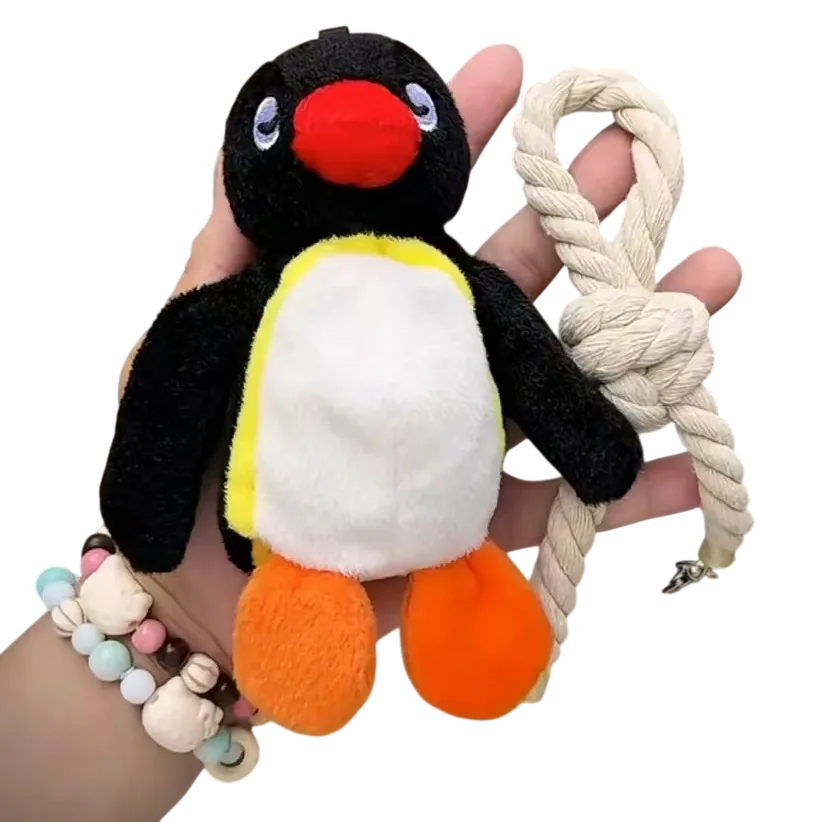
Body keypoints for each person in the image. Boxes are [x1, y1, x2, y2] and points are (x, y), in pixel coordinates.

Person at [0, 44, 741, 822]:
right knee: (332, 574)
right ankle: (324, 607)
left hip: (414, 533)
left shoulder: (457, 284)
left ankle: (451, 597)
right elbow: (177, 377)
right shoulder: (291, 292)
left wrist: (594, 445)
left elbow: (529, 360)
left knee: (455, 563)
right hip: (309, 546)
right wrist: (155, 530)